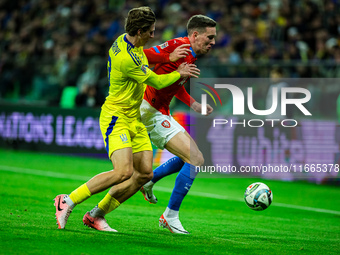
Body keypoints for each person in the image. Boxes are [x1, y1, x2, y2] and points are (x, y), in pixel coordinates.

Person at [53, 6, 200, 232]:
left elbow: (148, 56)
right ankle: (68, 200)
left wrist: (167, 57)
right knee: (123, 172)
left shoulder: (127, 41)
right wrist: (180, 72)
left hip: (135, 118)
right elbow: (158, 82)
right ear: (140, 31)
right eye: (150, 31)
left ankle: (96, 215)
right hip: (117, 116)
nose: (153, 35)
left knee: (144, 174)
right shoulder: (126, 58)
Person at [139, 15, 216, 234]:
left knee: (191, 158)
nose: (213, 42)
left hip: (160, 111)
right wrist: (167, 55)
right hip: (148, 110)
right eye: (209, 37)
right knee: (195, 158)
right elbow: (139, 57)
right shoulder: (178, 46)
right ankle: (169, 215)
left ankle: (150, 181)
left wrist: (193, 104)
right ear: (194, 35)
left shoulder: (190, 55)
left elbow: (175, 82)